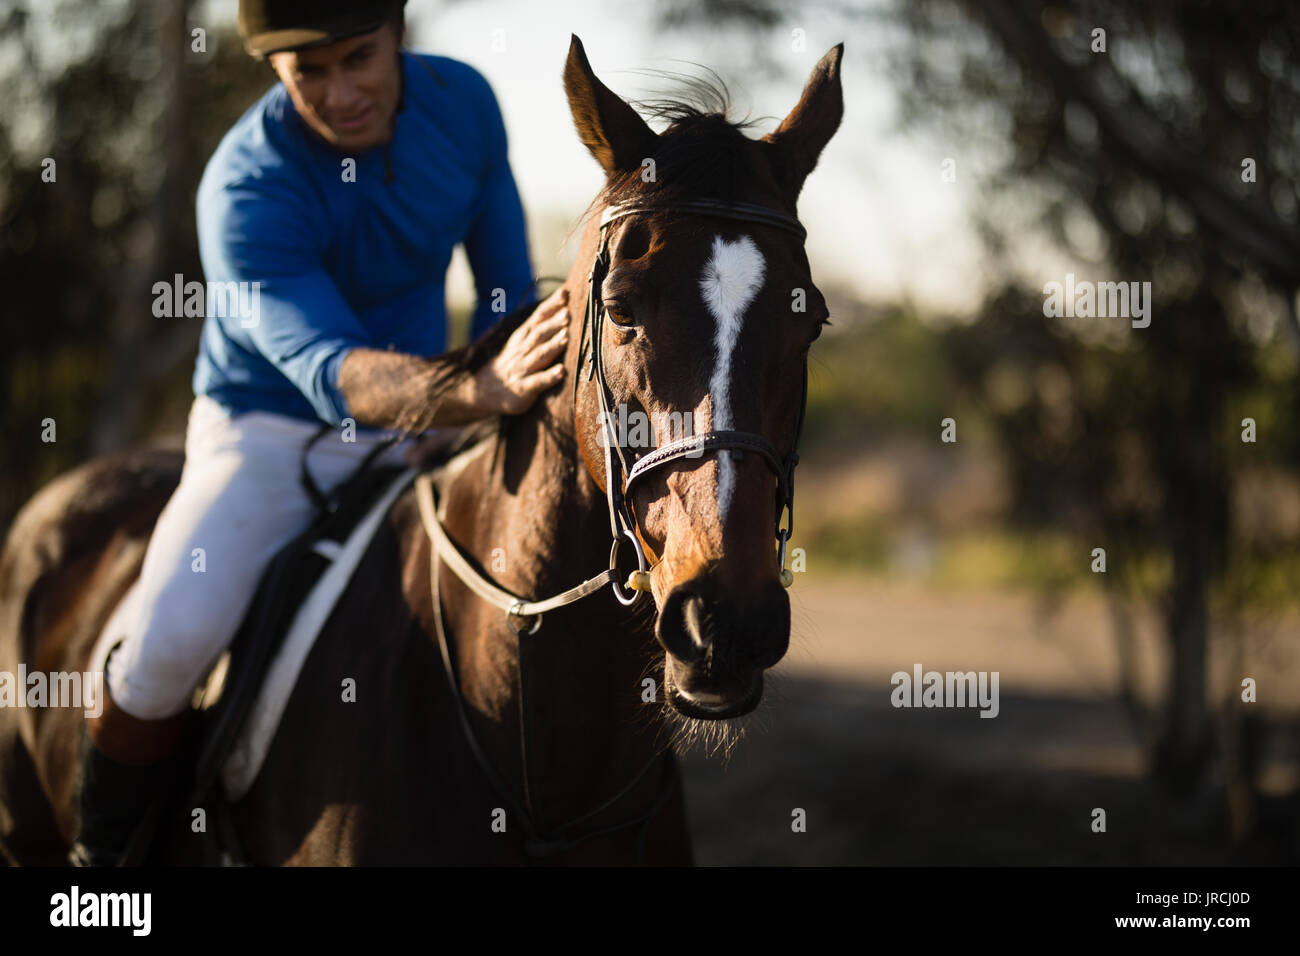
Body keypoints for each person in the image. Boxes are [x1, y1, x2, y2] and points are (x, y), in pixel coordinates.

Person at [70, 0, 569, 866]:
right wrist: (479, 385)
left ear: (398, 34)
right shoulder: (244, 184)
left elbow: (505, 298)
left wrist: (522, 364)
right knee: (165, 646)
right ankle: (98, 871)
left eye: (358, 58)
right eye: (311, 73)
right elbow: (331, 370)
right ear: (275, 72)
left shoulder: (468, 106)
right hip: (269, 430)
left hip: (437, 414)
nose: (342, 93)